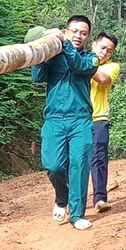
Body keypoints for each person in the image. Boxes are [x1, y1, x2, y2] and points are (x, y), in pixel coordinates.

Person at [32, 15, 99, 229]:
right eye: (74, 31)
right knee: (53, 166)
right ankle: (62, 197)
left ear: (88, 37)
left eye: (84, 33)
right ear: (67, 30)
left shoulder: (91, 59)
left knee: (79, 167)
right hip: (54, 119)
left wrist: (64, 43)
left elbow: (79, 65)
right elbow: (37, 76)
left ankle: (77, 215)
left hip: (80, 120)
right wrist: (44, 49)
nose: (79, 36)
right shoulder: (54, 54)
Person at [88, 32, 120, 212]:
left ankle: (99, 198)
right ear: (93, 45)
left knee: (99, 158)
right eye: (102, 47)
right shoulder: (81, 58)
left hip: (99, 118)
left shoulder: (112, 66)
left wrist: (81, 63)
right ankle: (69, 199)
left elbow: (103, 79)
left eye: (110, 50)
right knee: (75, 160)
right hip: (78, 117)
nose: (105, 52)